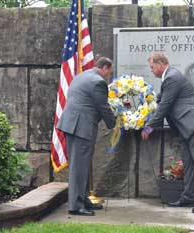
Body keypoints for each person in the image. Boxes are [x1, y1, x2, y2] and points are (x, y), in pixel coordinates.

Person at [141, 52, 194, 213]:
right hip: (185, 127)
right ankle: (189, 197)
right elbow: (159, 100)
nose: (151, 70)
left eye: (152, 67)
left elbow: (164, 106)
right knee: (189, 164)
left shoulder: (172, 78)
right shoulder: (169, 79)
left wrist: (149, 127)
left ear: (161, 64)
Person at [57, 57, 116, 216]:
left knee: (80, 165)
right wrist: (115, 122)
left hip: (72, 124)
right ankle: (76, 206)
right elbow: (103, 107)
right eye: (109, 73)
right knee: (79, 167)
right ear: (104, 68)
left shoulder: (82, 75)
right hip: (81, 126)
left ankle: (83, 199)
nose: (108, 76)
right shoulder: (98, 82)